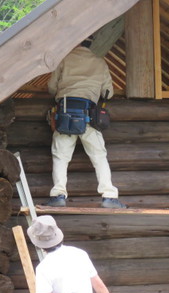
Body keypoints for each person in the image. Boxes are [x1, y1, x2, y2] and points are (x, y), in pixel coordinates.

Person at [46, 35, 126, 209]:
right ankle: (109, 196)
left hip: (65, 113)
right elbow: (108, 92)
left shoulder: (64, 60)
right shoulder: (99, 62)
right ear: (90, 43)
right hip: (89, 114)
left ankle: (58, 195)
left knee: (61, 156)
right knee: (99, 156)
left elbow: (52, 87)